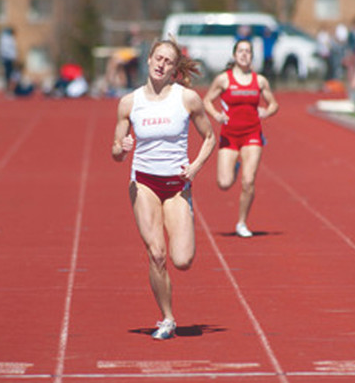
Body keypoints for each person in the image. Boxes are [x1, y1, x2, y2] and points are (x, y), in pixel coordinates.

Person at [111, 38, 215, 340]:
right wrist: (121, 147)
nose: (161, 64)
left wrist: (195, 167)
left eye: (168, 62)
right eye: (158, 58)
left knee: (182, 260)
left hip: (176, 186)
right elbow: (115, 150)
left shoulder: (187, 99)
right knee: (156, 254)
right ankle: (167, 318)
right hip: (143, 183)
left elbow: (210, 137)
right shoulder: (129, 103)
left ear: (174, 69)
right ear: (148, 60)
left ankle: (186, 212)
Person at [203, 39, 279, 237]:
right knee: (224, 183)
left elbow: (273, 104)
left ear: (252, 56)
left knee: (248, 181)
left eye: (248, 51)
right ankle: (235, 168)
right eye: (241, 51)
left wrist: (266, 112)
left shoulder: (260, 81)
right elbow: (207, 100)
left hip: (252, 134)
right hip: (229, 136)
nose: (244, 54)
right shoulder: (224, 80)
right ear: (235, 55)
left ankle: (242, 223)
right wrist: (217, 115)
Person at [0, 27, 17, 93]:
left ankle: (9, 88)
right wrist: (13, 57)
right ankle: (9, 89)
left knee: (8, 74)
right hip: (8, 58)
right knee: (9, 74)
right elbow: (10, 49)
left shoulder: (3, 39)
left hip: (6, 58)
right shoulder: (8, 39)